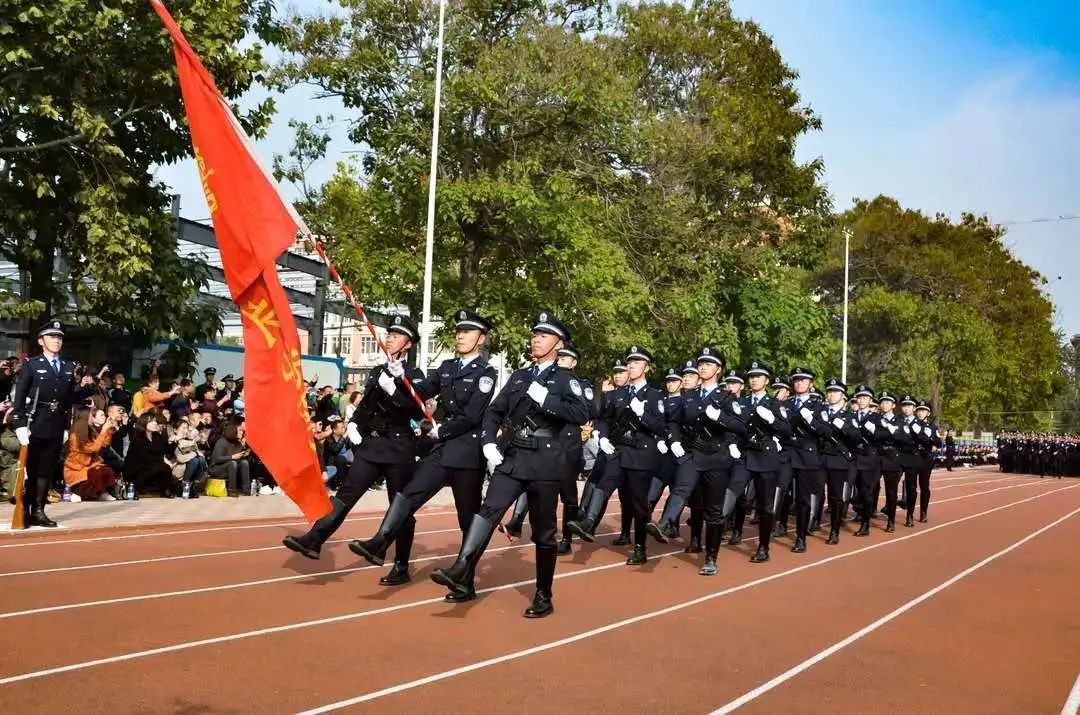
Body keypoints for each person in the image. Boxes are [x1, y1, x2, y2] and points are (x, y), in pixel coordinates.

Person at [429, 311, 590, 617]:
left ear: (558, 344)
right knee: (488, 510)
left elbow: (582, 413)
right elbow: (494, 411)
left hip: (544, 461)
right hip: (514, 456)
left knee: (543, 533)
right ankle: (462, 567)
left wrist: (547, 400)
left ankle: (544, 594)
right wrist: (489, 442)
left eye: (543, 336)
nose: (536, 340)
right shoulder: (519, 376)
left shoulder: (567, 379)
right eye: (535, 335)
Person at [349, 310, 499, 591]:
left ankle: (465, 578)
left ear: (481, 339)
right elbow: (419, 393)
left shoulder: (486, 373)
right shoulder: (446, 367)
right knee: (409, 493)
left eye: (467, 331)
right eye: (459, 330)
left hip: (466, 455)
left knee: (468, 519)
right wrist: (399, 380)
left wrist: (441, 429)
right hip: (441, 452)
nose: (460, 335)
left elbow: (473, 415)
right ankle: (380, 541)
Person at [282, 315, 426, 586]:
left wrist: (397, 387)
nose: (390, 338)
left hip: (398, 446)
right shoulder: (377, 371)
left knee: (400, 508)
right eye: (389, 334)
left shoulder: (414, 375)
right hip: (372, 445)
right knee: (346, 494)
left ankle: (401, 564)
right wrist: (355, 424)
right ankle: (315, 539)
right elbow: (366, 405)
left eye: (397, 336)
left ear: (408, 344)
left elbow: (416, 410)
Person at [655, 347, 745, 575]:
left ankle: (711, 557)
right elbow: (673, 422)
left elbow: (739, 426)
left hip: (716, 457)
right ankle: (665, 523)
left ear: (718, 369)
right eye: (701, 363)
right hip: (693, 454)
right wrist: (674, 440)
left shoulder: (726, 398)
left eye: (708, 363)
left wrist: (721, 418)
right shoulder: (689, 396)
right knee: (682, 488)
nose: (703, 366)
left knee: (714, 511)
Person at [10, 319, 91, 527]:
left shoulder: (67, 366)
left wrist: (86, 391)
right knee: (32, 469)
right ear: (41, 341)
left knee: (46, 470)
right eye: (52, 337)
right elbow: (19, 397)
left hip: (56, 424)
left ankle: (38, 510)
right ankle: (25, 508)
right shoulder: (32, 365)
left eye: (59, 338)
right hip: (34, 422)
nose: (56, 341)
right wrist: (18, 423)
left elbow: (68, 397)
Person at [64, 406, 121, 501]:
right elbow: (93, 448)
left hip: (90, 465)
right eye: (91, 416)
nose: (93, 418)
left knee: (107, 471)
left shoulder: (90, 430)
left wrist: (108, 430)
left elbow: (103, 443)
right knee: (95, 474)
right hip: (77, 468)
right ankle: (78, 492)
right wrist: (103, 430)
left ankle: (101, 493)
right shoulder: (75, 434)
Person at [125, 412, 179, 497]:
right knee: (161, 467)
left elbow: (166, 450)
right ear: (144, 423)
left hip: (153, 466)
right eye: (151, 421)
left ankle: (165, 490)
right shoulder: (138, 438)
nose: (155, 423)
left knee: (164, 468)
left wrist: (175, 441)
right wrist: (161, 461)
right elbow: (144, 457)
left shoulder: (157, 436)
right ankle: (134, 488)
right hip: (138, 468)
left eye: (155, 421)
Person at [208, 421, 251, 497]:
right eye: (240, 430)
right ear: (233, 431)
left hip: (230, 466)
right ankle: (232, 490)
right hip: (216, 468)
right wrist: (232, 457)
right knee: (232, 463)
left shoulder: (238, 442)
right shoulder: (221, 442)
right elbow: (217, 459)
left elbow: (237, 457)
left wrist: (244, 453)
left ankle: (246, 489)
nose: (242, 432)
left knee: (244, 462)